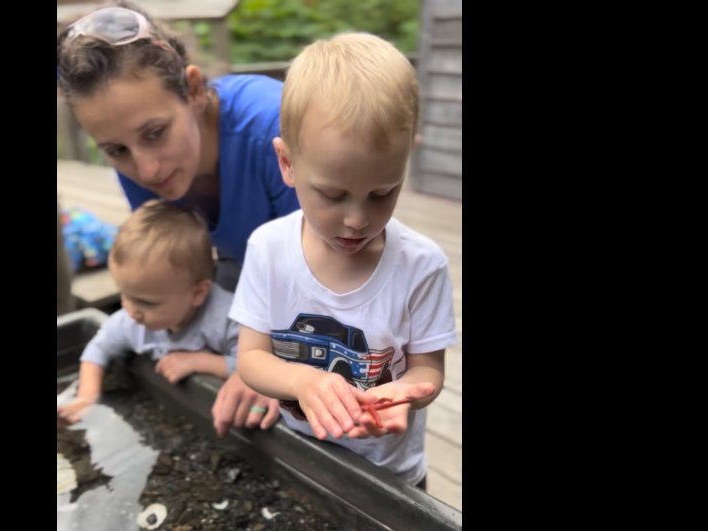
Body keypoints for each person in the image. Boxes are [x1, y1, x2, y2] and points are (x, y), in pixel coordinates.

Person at [56, 0, 296, 434]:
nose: (146, 172)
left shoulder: (273, 129)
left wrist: (268, 363)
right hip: (234, 270)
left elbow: (330, 269)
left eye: (155, 133)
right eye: (116, 150)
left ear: (193, 89)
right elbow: (174, 260)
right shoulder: (141, 161)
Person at [229, 33, 457, 487]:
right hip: (304, 454)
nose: (357, 220)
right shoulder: (268, 248)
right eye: (333, 194)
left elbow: (428, 368)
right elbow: (251, 358)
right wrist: (302, 383)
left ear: (405, 159)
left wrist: (402, 394)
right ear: (287, 163)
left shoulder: (422, 265)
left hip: (391, 475)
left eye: (382, 192)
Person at [58, 200, 280, 432]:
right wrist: (86, 397)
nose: (130, 308)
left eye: (145, 302)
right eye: (124, 294)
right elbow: (97, 349)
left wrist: (201, 362)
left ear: (198, 293)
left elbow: (259, 364)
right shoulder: (132, 320)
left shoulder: (229, 318)